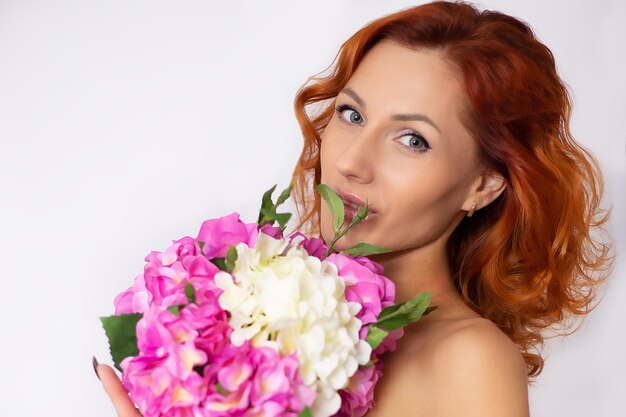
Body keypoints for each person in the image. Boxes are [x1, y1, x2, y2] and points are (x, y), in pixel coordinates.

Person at [95, 1, 614, 416]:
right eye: (351, 113)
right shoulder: (260, 314)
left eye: (412, 139)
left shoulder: (469, 359)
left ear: (482, 186)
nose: (351, 162)